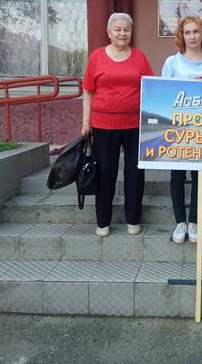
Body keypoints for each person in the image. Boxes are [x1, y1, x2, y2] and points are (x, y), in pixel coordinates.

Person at [81, 13, 154, 237]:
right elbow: (88, 91)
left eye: (127, 29)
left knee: (135, 173)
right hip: (104, 124)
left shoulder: (140, 57)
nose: (122, 33)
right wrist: (86, 122)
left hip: (135, 124)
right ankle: (103, 222)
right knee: (105, 173)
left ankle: (133, 219)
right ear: (109, 32)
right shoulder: (97, 57)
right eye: (118, 29)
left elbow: (151, 87)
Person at [161, 16, 202, 244]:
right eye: (187, 32)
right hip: (178, 130)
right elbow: (163, 94)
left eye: (196, 31)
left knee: (200, 175)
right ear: (181, 36)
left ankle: (194, 222)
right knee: (177, 175)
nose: (192, 36)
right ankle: (180, 222)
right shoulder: (172, 63)